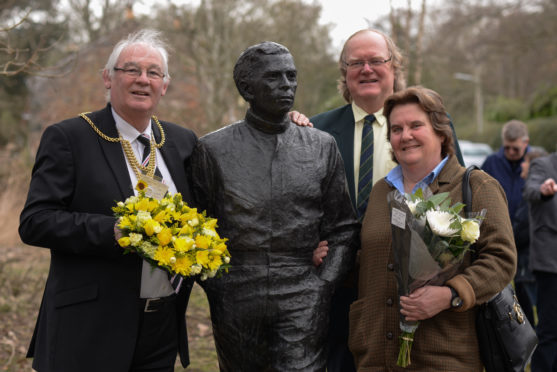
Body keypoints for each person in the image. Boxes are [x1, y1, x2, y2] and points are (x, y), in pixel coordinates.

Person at [19, 29, 197, 372]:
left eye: (153, 72)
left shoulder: (181, 141)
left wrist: (293, 123)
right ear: (107, 77)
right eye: (131, 70)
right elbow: (34, 222)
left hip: (161, 326)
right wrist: (112, 231)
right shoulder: (70, 137)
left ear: (165, 85)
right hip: (89, 327)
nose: (142, 80)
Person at [293, 29, 464, 372]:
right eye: (356, 62)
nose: (366, 69)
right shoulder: (315, 131)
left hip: (408, 285)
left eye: (376, 60)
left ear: (394, 67)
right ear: (344, 72)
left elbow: (454, 196)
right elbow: (299, 203)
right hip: (336, 286)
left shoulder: (425, 129)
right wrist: (306, 245)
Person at [188, 41, 360, 371]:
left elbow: (343, 228)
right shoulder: (212, 149)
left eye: (291, 76)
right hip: (236, 290)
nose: (286, 85)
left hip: (302, 288)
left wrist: (322, 286)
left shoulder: (321, 145)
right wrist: (216, 284)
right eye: (274, 77)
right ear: (246, 87)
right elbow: (194, 229)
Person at [348, 86, 516, 370]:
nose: (406, 136)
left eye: (416, 125)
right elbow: (368, 262)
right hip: (375, 356)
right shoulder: (380, 192)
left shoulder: (476, 186)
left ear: (441, 132)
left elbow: (502, 260)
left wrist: (451, 294)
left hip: (444, 357)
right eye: (397, 129)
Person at [523, 149, 557, 372]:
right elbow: (531, 190)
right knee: (550, 330)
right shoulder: (543, 165)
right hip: (552, 264)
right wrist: (544, 191)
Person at [512, 148, 547, 326]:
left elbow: (522, 231)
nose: (522, 165)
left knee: (531, 319)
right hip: (528, 266)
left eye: (525, 161)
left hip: (527, 268)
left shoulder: (533, 199)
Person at [481, 119, 530, 226]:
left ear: (526, 143)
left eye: (515, 149)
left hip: (527, 235)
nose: (511, 152)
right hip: (498, 228)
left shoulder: (535, 163)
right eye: (507, 148)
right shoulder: (491, 163)